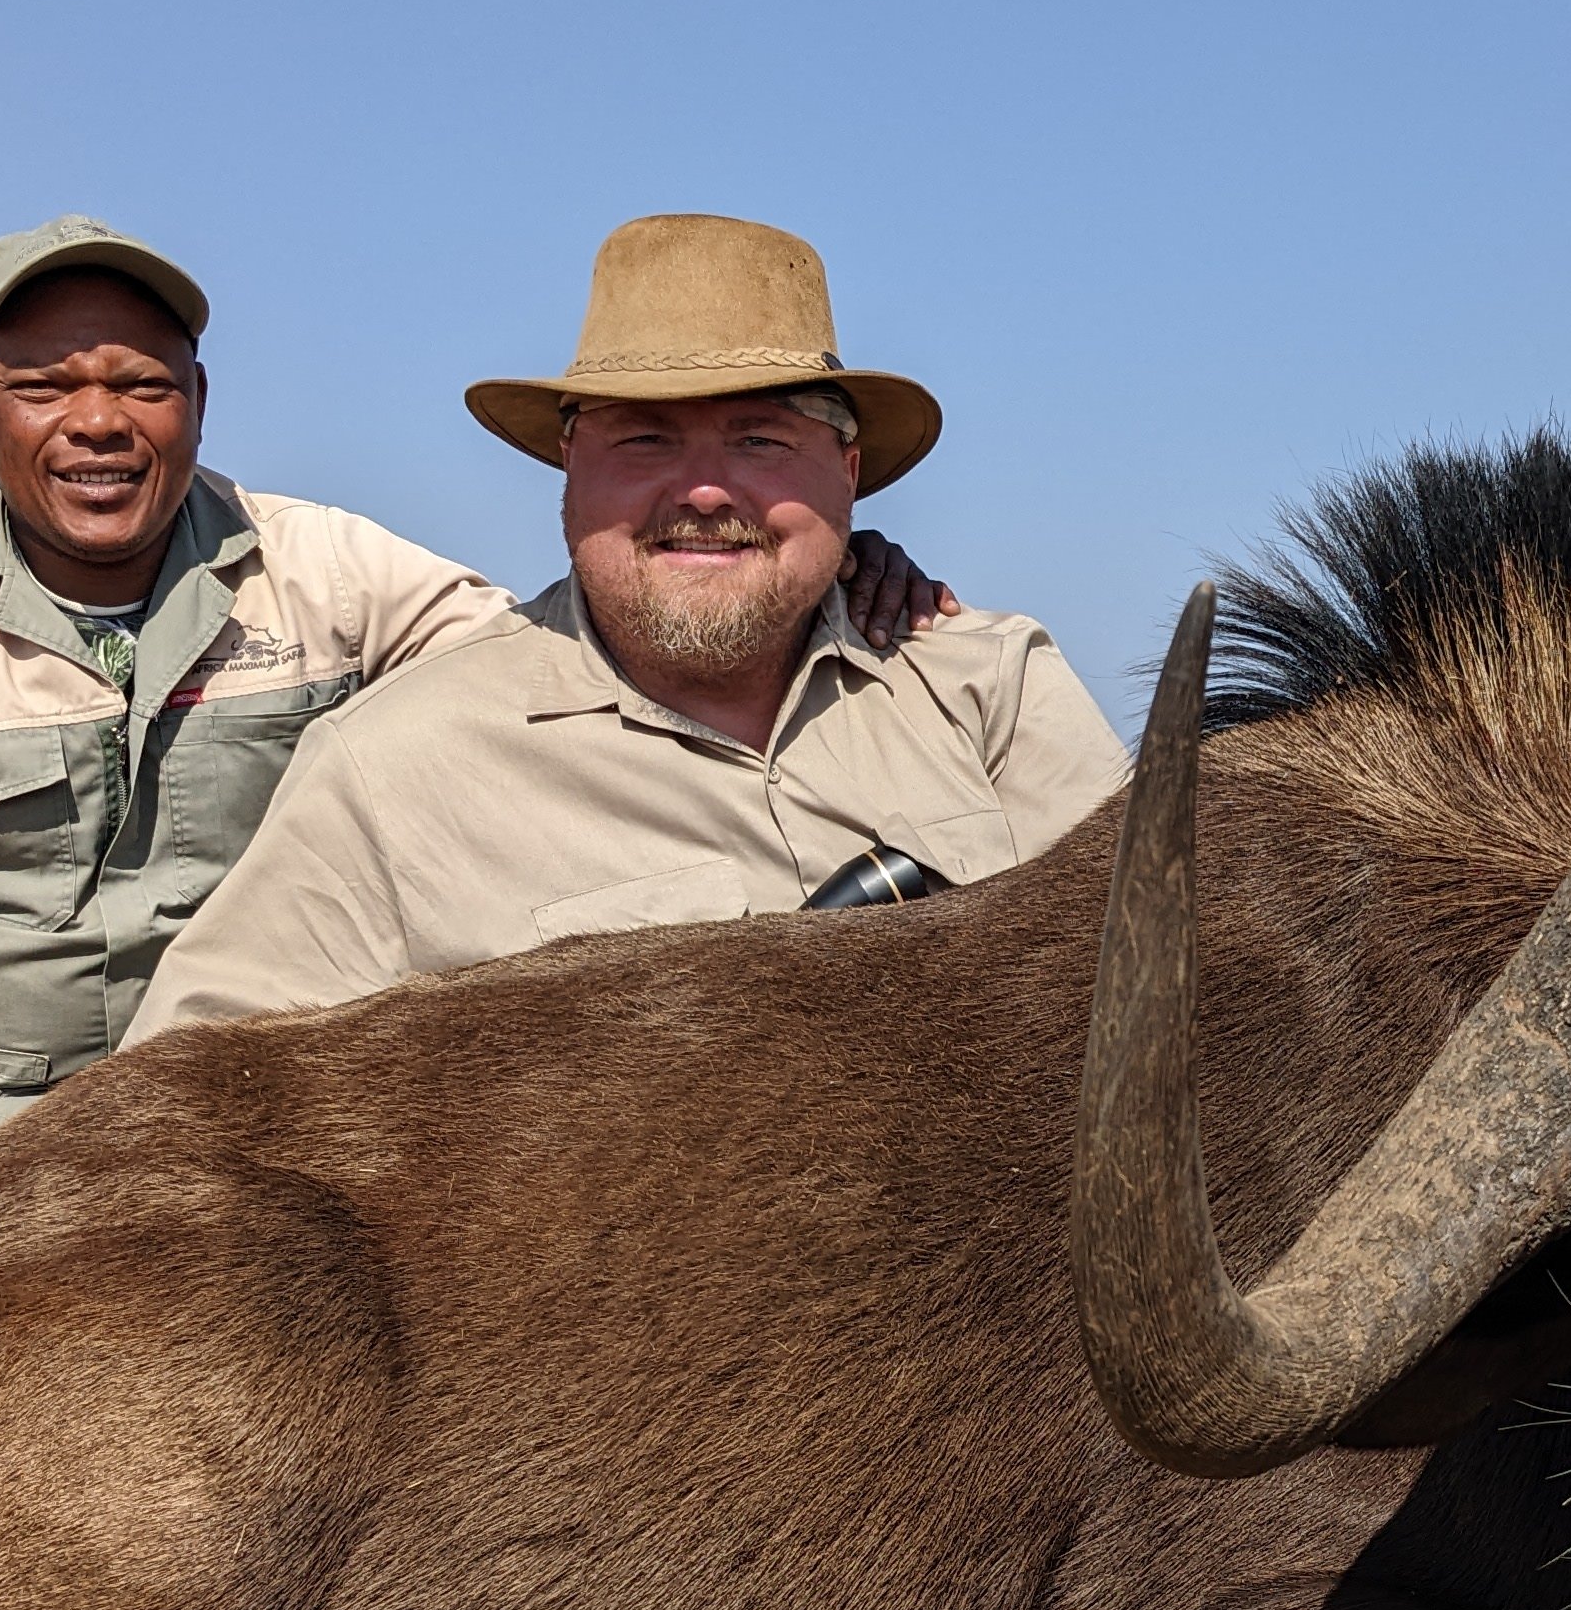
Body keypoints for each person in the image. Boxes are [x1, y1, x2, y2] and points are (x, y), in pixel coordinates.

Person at [0, 214, 962, 1345]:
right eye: (44, 388)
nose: (98, 422)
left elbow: (569, 667)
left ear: (197, 400)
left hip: (259, 1130)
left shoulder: (331, 574)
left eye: (141, 384)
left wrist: (812, 569)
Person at [137, 214, 1124, 1029]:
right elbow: (174, 1125)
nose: (702, 490)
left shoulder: (991, 687)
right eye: (645, 438)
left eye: (760, 438)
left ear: (850, 474)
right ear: (569, 475)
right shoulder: (389, 769)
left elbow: (1175, 1004)